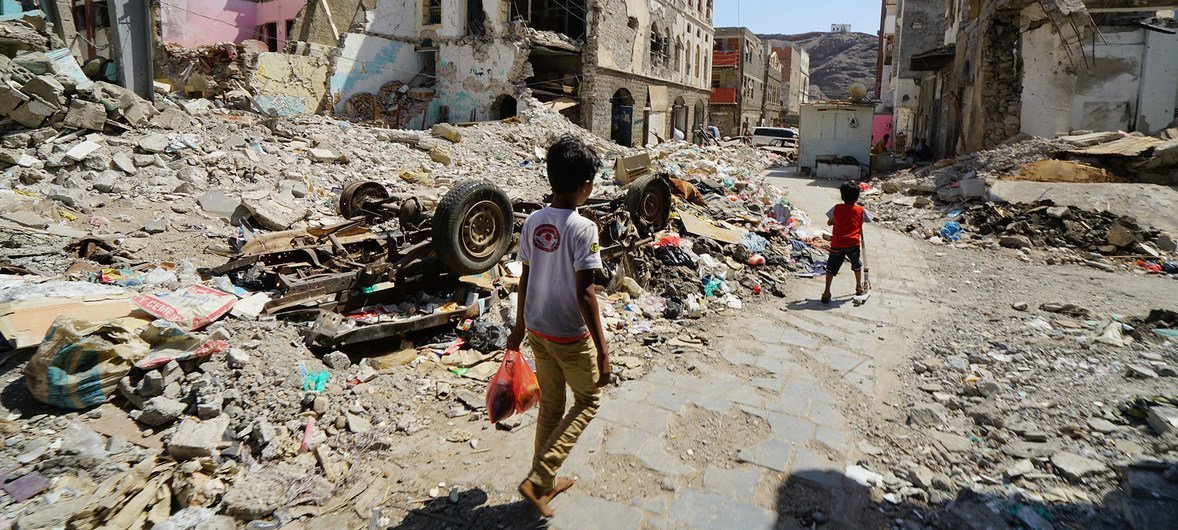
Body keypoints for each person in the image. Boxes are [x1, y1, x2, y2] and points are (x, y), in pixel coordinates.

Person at [507, 135, 611, 518]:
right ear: (586, 185)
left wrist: (519, 327)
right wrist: (602, 351)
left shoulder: (533, 220)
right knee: (587, 401)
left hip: (537, 329)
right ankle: (540, 477)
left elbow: (525, 278)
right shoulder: (584, 229)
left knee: (552, 406)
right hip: (569, 333)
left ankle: (544, 483)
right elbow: (587, 294)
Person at [821, 182, 874, 304]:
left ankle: (826, 292)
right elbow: (870, 218)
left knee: (831, 268)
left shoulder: (837, 208)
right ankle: (858, 287)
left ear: (842, 196)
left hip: (837, 243)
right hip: (853, 244)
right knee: (856, 266)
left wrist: (836, 221)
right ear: (857, 197)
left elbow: (829, 222)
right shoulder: (860, 210)